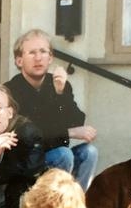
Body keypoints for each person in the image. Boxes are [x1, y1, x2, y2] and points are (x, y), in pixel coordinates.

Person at [5, 29, 98, 191]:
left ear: (50, 58)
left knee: (89, 152)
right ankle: (54, 205)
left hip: (57, 159)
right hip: (26, 163)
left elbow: (77, 121)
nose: (38, 57)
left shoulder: (58, 84)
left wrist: (60, 93)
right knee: (64, 154)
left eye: (43, 51)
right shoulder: (11, 90)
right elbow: (30, 134)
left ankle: (76, 205)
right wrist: (69, 132)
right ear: (19, 61)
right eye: (32, 52)